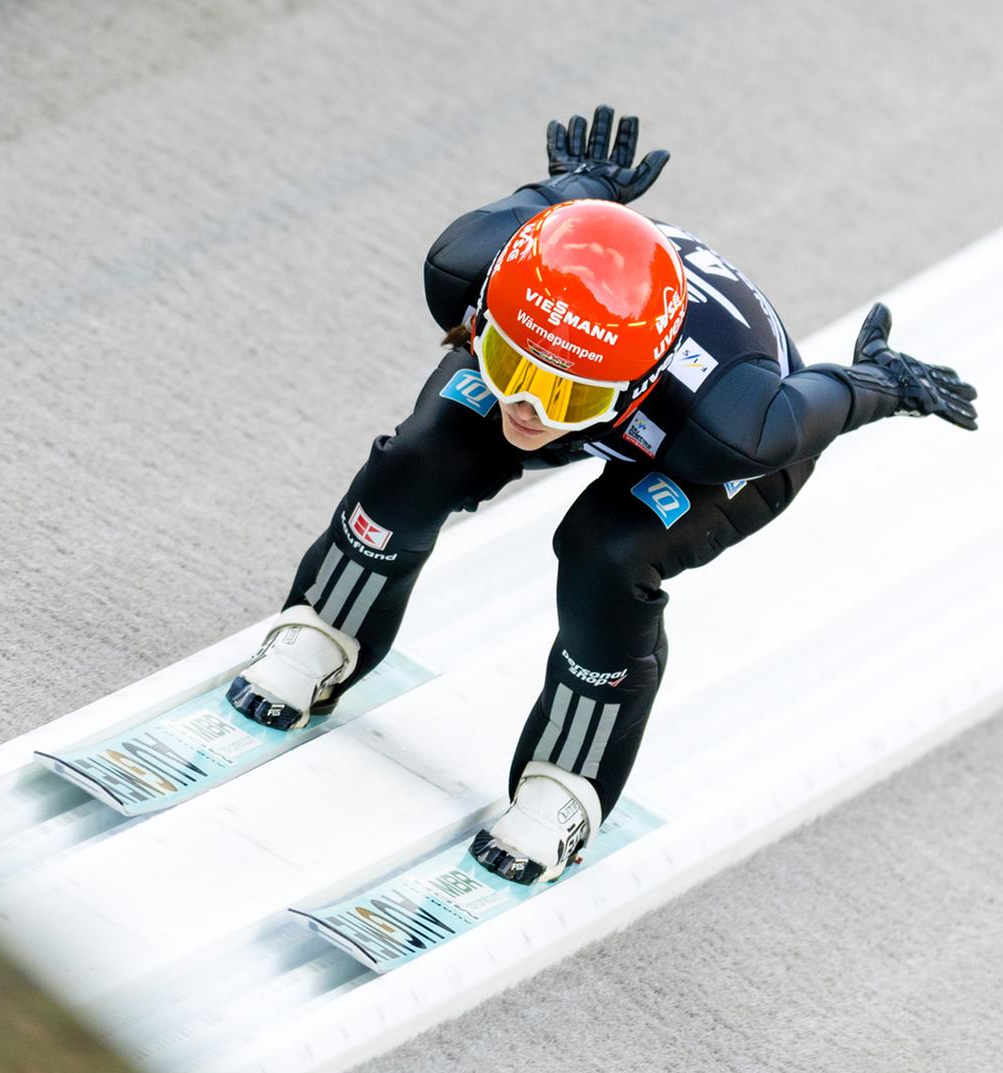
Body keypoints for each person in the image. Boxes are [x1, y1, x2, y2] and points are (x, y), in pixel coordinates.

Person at [226, 106, 978, 886]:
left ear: (637, 380)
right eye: (512, 367)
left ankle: (567, 785)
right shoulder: (469, 268)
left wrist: (883, 380)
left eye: (562, 395)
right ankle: (326, 628)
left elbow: (823, 399)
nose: (529, 412)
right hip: (610, 375)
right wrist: (579, 188)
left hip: (692, 447)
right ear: (482, 317)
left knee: (608, 550)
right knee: (426, 453)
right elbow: (533, 278)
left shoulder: (734, 422)